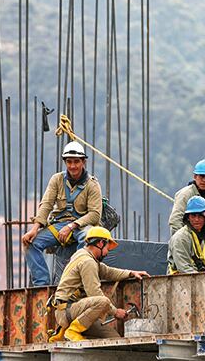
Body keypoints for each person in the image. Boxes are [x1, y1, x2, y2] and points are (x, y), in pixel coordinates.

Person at [21, 141, 102, 286]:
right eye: (69, 162)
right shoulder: (57, 179)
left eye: (76, 162)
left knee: (88, 238)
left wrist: (72, 226)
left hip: (81, 225)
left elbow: (95, 214)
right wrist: (34, 229)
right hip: (59, 225)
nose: (73, 166)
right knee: (31, 244)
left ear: (83, 162)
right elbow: (46, 204)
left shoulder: (92, 184)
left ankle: (76, 279)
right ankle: (42, 285)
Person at [47, 227, 150, 342]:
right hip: (68, 310)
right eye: (107, 248)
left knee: (113, 338)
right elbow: (94, 293)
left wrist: (131, 273)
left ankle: (64, 333)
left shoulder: (84, 255)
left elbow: (108, 272)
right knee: (103, 301)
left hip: (75, 311)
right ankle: (73, 331)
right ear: (101, 243)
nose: (107, 253)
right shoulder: (88, 262)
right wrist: (115, 312)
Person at [168, 196, 205, 274]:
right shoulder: (180, 239)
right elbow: (184, 268)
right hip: (179, 281)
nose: (196, 219)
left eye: (200, 215)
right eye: (193, 216)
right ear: (188, 218)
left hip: (202, 279)